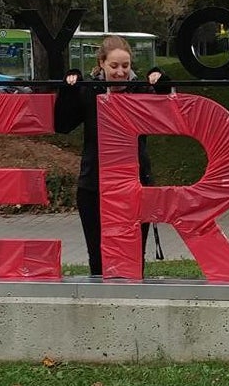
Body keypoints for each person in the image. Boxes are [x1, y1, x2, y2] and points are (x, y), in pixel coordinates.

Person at [53, 35, 170, 276]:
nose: (120, 72)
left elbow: (170, 112)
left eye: (125, 66)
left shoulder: (140, 92)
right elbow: (62, 125)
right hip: (94, 187)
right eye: (114, 66)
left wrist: (162, 81)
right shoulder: (89, 92)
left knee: (133, 260)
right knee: (98, 259)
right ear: (101, 64)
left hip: (135, 186)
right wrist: (68, 90)